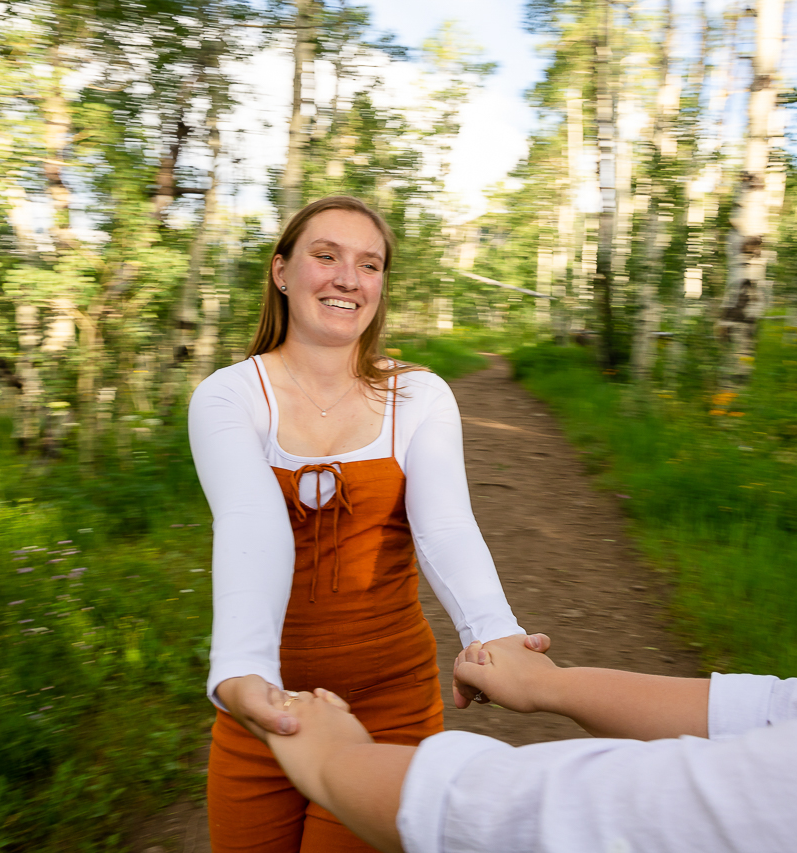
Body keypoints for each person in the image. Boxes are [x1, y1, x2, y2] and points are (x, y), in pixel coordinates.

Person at [261, 168, 797, 853]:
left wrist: (336, 766)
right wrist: (553, 683)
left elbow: (616, 814)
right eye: (324, 255)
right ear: (281, 270)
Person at [187, 195, 545, 853]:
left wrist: (494, 633)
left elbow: (445, 525)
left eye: (369, 263)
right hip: (263, 708)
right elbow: (250, 522)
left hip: (391, 709)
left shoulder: (419, 394)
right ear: (281, 272)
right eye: (326, 256)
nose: (348, 278)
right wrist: (242, 673)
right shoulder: (229, 395)